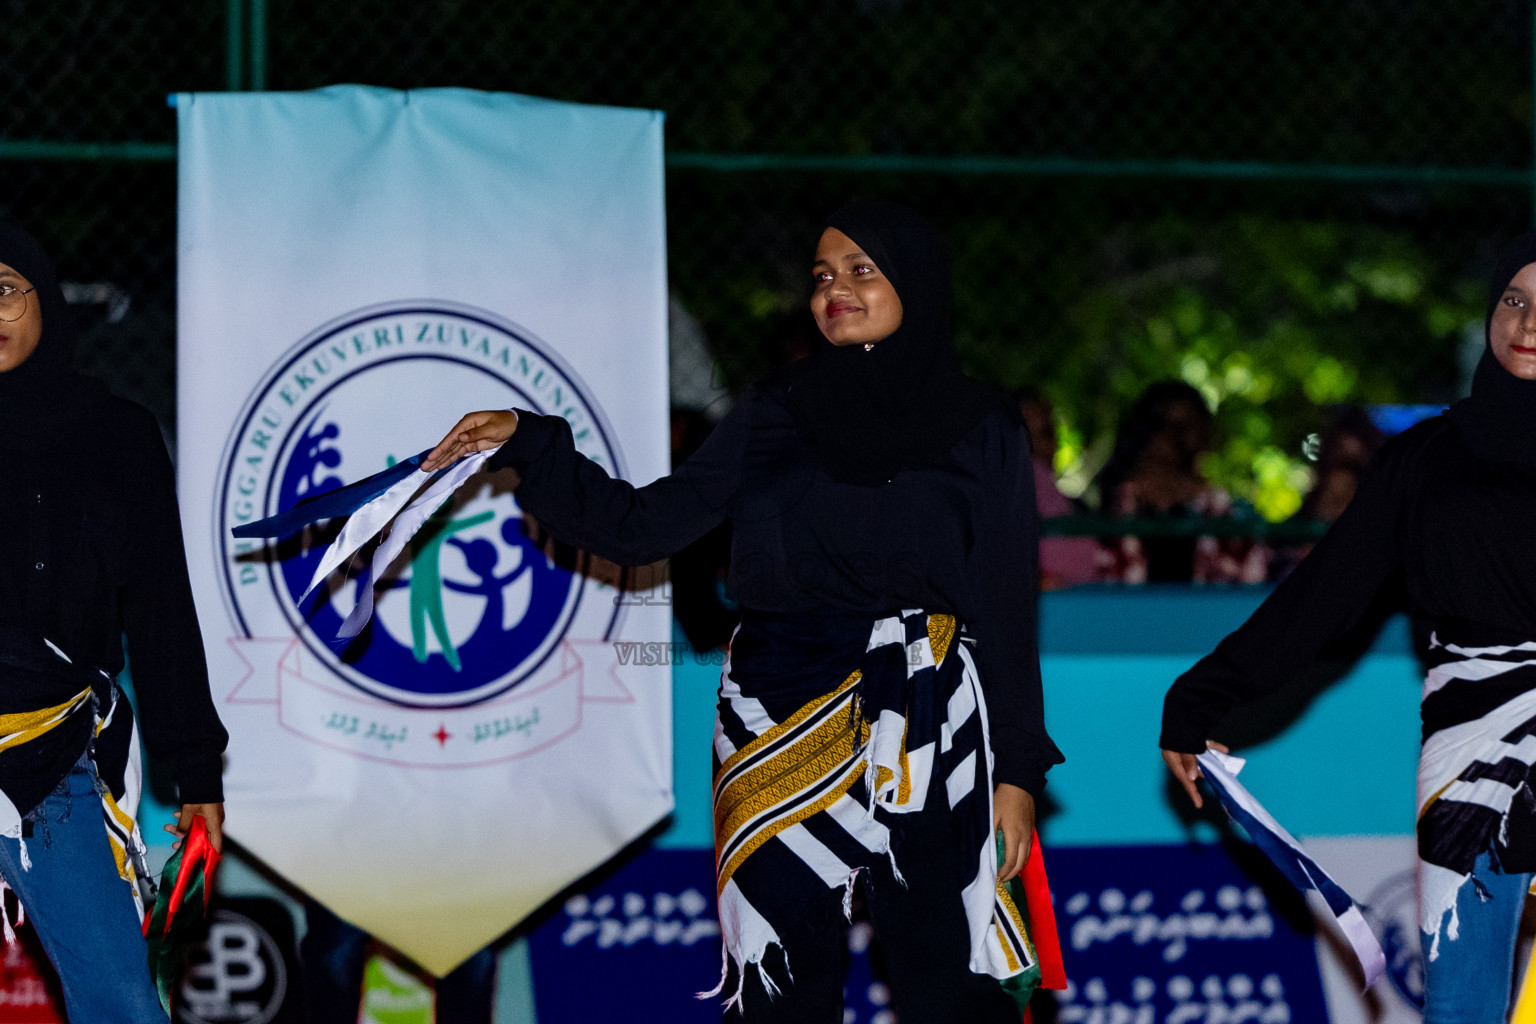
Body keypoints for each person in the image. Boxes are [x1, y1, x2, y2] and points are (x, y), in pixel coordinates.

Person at [423, 202, 1061, 1022]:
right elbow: (639, 526)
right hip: (775, 710)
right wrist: (531, 443)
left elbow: (1007, 604)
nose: (835, 290)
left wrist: (1015, 771)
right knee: (780, 987)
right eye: (823, 276)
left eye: (862, 269)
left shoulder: (984, 425)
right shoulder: (774, 412)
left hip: (927, 713)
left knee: (947, 979)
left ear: (917, 281)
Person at [1159, 230, 1536, 1024]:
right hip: (1468, 746)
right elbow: (1324, 598)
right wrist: (1200, 700)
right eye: (1512, 298)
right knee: (1462, 1005)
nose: (1527, 321)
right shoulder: (1428, 456)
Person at [0, 222, 228, 1021]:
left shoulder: (115, 435)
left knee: (124, 1005)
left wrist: (197, 767)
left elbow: (162, 604)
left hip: (44, 761)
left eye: (3, 289)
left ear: (45, 300)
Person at [1095, 380, 1268, 584]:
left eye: (1188, 425)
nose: (1175, 438)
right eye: (1162, 425)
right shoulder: (1116, 507)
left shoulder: (1223, 513)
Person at [1015, 388, 1102, 589]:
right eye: (1026, 433)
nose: (1039, 444)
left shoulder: (1072, 504)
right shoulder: (1003, 493)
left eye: (1046, 431)